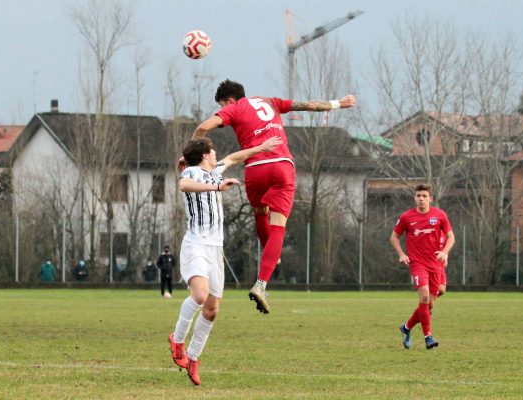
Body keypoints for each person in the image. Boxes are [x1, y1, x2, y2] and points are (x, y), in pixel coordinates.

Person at [191, 79, 356, 314]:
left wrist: (192, 157)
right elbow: (308, 106)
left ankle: (270, 251)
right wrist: (339, 103)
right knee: (278, 225)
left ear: (229, 101)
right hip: (281, 166)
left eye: (222, 105)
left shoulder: (234, 108)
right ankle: (261, 284)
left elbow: (203, 127)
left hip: (255, 168)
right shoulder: (270, 102)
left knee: (260, 211)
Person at [168, 135, 282, 386]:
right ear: (205, 154)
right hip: (196, 244)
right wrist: (217, 187)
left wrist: (262, 148)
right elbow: (183, 186)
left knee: (212, 310)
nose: (217, 153)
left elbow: (234, 157)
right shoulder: (194, 172)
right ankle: (177, 341)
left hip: (215, 249)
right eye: (213, 149)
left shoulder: (216, 169)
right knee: (199, 295)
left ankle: (194, 358)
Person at [390, 183, 455, 350]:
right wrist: (402, 254)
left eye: (424, 196)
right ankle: (428, 337)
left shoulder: (439, 215)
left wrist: (445, 252)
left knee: (430, 303)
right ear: (415, 198)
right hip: (418, 264)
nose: (421, 199)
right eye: (418, 196)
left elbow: (451, 237)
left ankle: (406, 327)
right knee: (424, 298)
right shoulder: (406, 217)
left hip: (435, 264)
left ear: (430, 199)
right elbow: (394, 237)